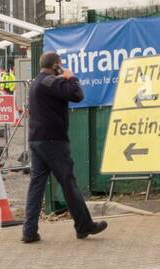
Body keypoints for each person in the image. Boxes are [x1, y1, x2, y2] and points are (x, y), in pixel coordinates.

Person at [21, 52, 108, 243]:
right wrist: (71, 77)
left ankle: (29, 231)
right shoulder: (51, 81)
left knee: (36, 185)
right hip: (53, 141)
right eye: (61, 65)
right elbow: (77, 95)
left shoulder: (37, 82)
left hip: (36, 140)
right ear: (56, 66)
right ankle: (84, 225)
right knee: (68, 183)